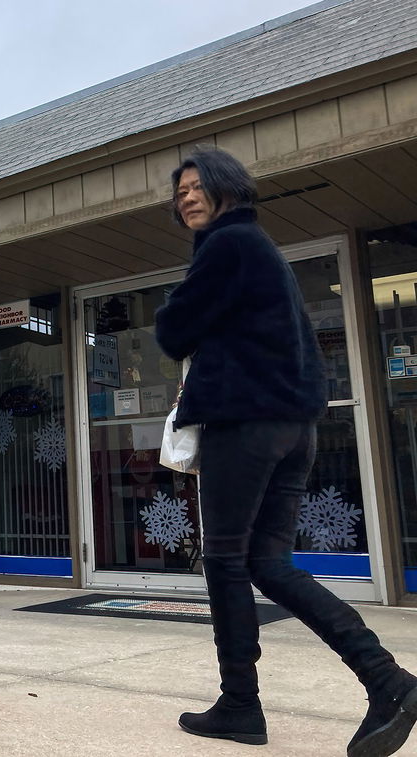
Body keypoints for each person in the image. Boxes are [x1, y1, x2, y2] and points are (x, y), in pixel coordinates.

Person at [154, 147, 417, 756]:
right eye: (180, 191)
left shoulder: (227, 246)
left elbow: (172, 332)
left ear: (227, 188)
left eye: (196, 186)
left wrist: (179, 299)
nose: (186, 196)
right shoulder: (259, 250)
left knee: (224, 560)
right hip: (293, 427)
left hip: (244, 425)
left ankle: (242, 706)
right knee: (267, 563)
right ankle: (384, 680)